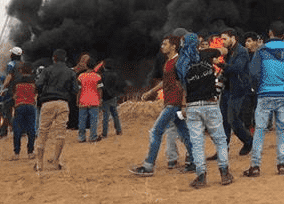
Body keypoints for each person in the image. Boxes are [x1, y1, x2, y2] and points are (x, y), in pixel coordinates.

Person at [130, 35, 196, 177]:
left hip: (174, 104)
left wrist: (184, 105)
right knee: (184, 132)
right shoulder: (169, 62)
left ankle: (148, 166)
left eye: (165, 44)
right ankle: (194, 161)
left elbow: (184, 83)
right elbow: (166, 82)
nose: (162, 46)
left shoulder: (178, 62)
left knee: (156, 131)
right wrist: (151, 92)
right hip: (172, 103)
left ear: (174, 46)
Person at [176, 33, 234, 188]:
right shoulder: (206, 53)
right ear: (197, 43)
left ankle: (201, 176)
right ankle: (224, 173)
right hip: (210, 103)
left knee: (197, 143)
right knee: (220, 140)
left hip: (192, 106)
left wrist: (183, 106)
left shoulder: (180, 63)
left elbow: (182, 87)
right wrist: (210, 52)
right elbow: (225, 51)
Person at [243, 22, 284, 177]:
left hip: (264, 94)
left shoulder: (261, 50)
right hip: (283, 94)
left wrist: (258, 88)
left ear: (270, 33)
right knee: (282, 130)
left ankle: (255, 166)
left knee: (260, 130)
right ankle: (282, 164)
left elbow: (254, 73)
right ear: (283, 35)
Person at [34, 49, 79, 172]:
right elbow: (75, 89)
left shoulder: (47, 70)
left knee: (43, 132)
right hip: (63, 103)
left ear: (53, 58)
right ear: (65, 59)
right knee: (60, 134)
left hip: (47, 103)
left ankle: (39, 164)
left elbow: (38, 85)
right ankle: (55, 162)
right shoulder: (70, 72)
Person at [221, 29, 254, 156]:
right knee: (224, 120)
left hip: (238, 90)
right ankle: (223, 149)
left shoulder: (241, 51)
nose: (222, 41)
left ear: (233, 38)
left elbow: (237, 68)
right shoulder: (229, 51)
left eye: (225, 38)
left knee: (232, 120)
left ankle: (248, 141)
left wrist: (221, 65)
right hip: (227, 88)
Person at [7, 61, 38, 159]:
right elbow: (36, 93)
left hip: (19, 106)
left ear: (20, 70)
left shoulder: (16, 81)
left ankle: (16, 153)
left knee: (17, 130)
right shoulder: (34, 82)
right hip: (31, 106)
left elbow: (13, 94)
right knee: (31, 129)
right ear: (31, 71)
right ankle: (30, 152)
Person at [76, 56, 103, 143]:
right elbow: (100, 90)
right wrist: (100, 100)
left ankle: (81, 137)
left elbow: (79, 90)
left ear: (86, 66)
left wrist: (77, 100)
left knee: (82, 120)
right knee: (93, 120)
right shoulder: (97, 77)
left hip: (83, 100)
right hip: (94, 101)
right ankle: (93, 137)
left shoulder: (81, 76)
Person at [99, 60, 123, 137]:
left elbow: (101, 87)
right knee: (115, 114)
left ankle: (104, 133)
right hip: (113, 96)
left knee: (105, 116)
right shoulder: (115, 75)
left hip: (105, 97)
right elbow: (118, 86)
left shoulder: (102, 75)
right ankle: (119, 130)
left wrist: (100, 97)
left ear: (104, 66)